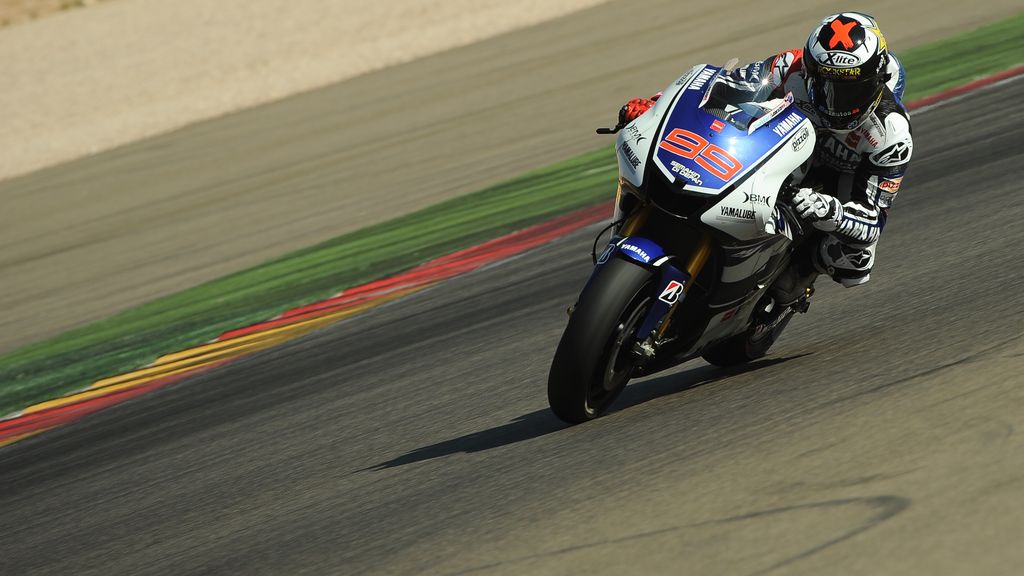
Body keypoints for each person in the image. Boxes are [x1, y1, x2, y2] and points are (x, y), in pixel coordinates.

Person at [619, 12, 913, 307]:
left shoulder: (891, 133)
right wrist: (657, 105)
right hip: (784, 154)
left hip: (841, 185)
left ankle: (798, 276)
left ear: (877, 81)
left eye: (850, 90)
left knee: (854, 260)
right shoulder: (787, 67)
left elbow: (873, 220)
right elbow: (721, 90)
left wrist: (832, 212)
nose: (834, 100)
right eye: (824, 84)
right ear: (810, 69)